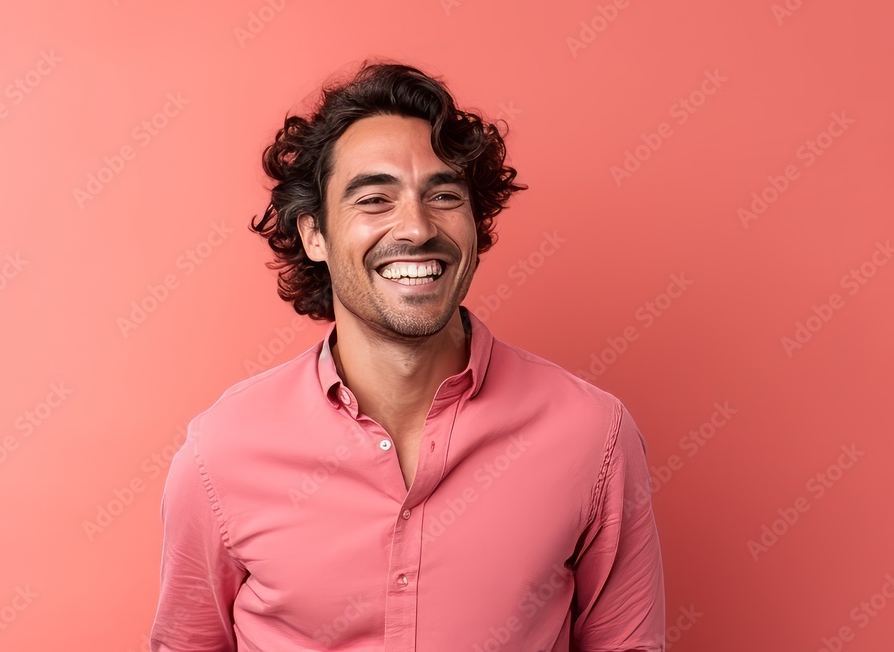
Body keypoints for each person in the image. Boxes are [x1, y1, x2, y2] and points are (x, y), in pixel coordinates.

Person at [150, 58, 665, 651]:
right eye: (374, 198)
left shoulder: (593, 436)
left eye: (443, 194)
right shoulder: (221, 453)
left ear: (476, 222)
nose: (416, 228)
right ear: (314, 233)